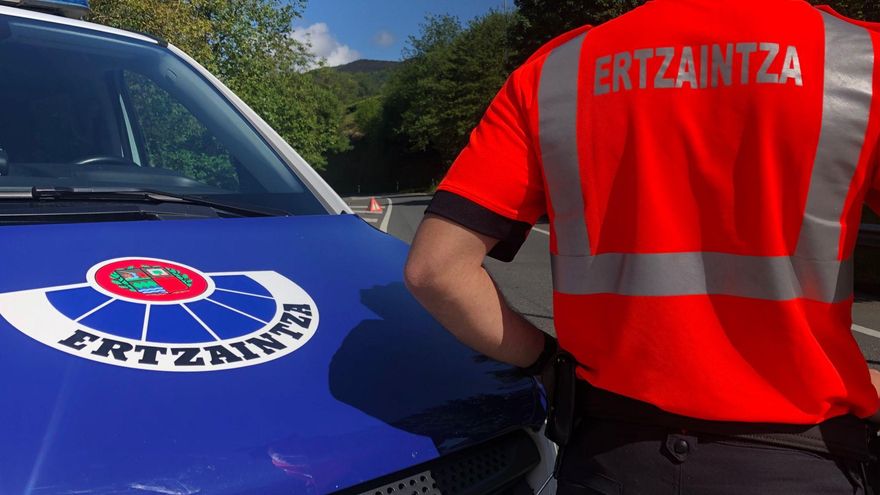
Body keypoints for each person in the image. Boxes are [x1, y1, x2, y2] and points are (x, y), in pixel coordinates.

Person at [404, 0, 880, 493]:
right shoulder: (860, 59)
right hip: (804, 460)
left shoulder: (554, 75)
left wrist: (549, 364)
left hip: (609, 460)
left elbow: (435, 271)